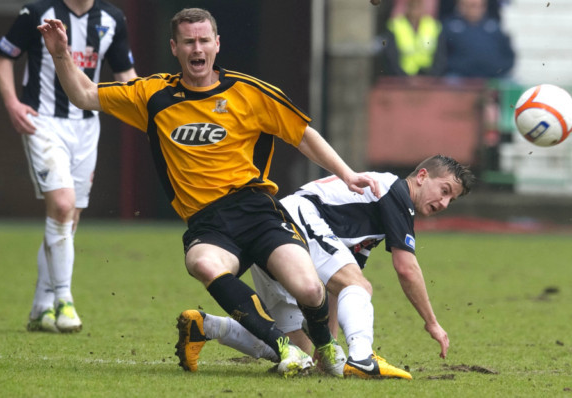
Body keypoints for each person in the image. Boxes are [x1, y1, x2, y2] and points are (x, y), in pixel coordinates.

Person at [36, 7, 379, 377]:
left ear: (217, 44)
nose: (196, 48)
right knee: (201, 263)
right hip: (208, 222)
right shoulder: (152, 94)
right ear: (175, 47)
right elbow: (84, 94)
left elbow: (302, 134)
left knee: (310, 290)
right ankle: (284, 348)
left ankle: (326, 348)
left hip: (257, 211)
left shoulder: (249, 92)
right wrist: (60, 54)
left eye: (203, 40)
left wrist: (346, 173)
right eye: (188, 42)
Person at [178, 155, 475, 379]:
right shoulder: (394, 193)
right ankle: (362, 356)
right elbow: (406, 268)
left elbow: (335, 288)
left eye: (452, 199)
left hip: (276, 232)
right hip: (294, 222)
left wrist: (327, 343)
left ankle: (207, 326)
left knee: (300, 349)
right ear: (422, 176)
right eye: (445, 190)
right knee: (358, 286)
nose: (445, 203)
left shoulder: (372, 217)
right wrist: (432, 322)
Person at [0, 0, 137, 334]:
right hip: (43, 122)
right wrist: (12, 103)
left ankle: (41, 307)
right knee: (61, 204)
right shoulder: (37, 12)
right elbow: (3, 56)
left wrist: (152, 113)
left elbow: (126, 77)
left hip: (87, 128)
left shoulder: (113, 18)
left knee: (69, 218)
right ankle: (64, 300)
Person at [432, 0, 515, 78]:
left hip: (492, 76)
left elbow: (508, 55)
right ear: (461, 6)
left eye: (480, 6)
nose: (476, 10)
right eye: (472, 6)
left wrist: (499, 70)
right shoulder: (449, 27)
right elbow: (441, 56)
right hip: (458, 76)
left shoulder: (494, 27)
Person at [381, 0, 441, 76]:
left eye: (418, 7)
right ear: (407, 8)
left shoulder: (432, 26)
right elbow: (391, 57)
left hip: (427, 75)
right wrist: (403, 77)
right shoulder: (396, 26)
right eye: (412, 7)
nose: (415, 11)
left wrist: (431, 77)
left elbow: (440, 56)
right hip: (402, 76)